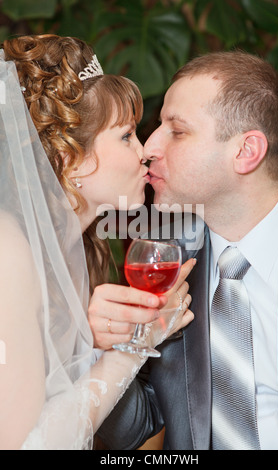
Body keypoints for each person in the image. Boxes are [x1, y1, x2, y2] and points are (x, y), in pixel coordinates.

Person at [95, 51, 278, 450]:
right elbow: (132, 429)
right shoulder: (158, 256)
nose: (148, 148)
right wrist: (111, 349)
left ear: (246, 152)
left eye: (177, 130)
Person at [0, 34, 195, 450]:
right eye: (126, 136)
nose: (144, 152)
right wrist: (141, 339)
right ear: (70, 159)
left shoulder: (84, 245)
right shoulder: (11, 253)